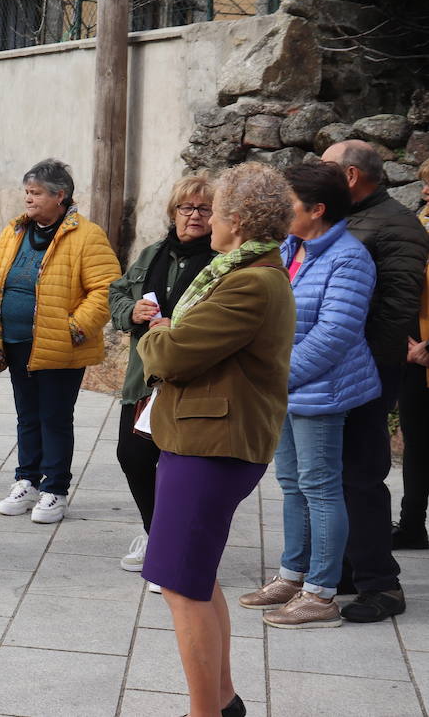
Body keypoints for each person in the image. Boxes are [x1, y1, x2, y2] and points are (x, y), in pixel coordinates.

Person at [136, 162, 296, 717]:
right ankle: (222, 701)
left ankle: (204, 712)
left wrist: (158, 335)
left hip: (213, 446)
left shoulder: (250, 282)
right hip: (202, 440)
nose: (208, 216)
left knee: (180, 584)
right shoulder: (240, 273)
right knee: (193, 578)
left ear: (234, 219)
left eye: (217, 207)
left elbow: (172, 353)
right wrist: (170, 333)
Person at [238, 161, 378, 629]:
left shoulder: (349, 257)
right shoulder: (288, 247)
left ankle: (321, 593)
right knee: (292, 483)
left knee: (320, 487)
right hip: (286, 386)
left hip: (319, 390)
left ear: (317, 210)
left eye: (289, 204)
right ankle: (292, 574)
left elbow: (335, 333)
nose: (281, 211)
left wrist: (275, 376)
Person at [321, 139, 429, 622]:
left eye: (325, 167)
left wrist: (365, 369)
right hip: (337, 368)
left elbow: (397, 310)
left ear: (349, 176)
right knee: (331, 474)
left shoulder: (397, 225)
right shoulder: (347, 218)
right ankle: (343, 569)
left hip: (365, 371)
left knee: (361, 474)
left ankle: (381, 585)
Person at [0, 158, 119, 524]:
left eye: (36, 193)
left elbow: (106, 289)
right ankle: (27, 479)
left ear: (61, 196)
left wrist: (74, 329)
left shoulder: (87, 236)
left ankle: (54, 488)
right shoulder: (15, 231)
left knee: (55, 417)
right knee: (27, 416)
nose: (28, 199)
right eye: (26, 192)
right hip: (16, 340)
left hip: (60, 345)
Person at [108, 174, 216, 576]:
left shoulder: (220, 260)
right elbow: (117, 291)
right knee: (133, 456)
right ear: (173, 213)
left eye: (204, 209)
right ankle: (157, 534)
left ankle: (175, 546)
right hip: (144, 379)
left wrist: (179, 326)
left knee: (180, 465)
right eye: (186, 208)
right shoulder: (153, 254)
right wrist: (131, 311)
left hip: (189, 380)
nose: (194, 216)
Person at [395, 158, 429, 550]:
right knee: (418, 444)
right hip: (414, 358)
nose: (423, 193)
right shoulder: (419, 227)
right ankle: (412, 525)